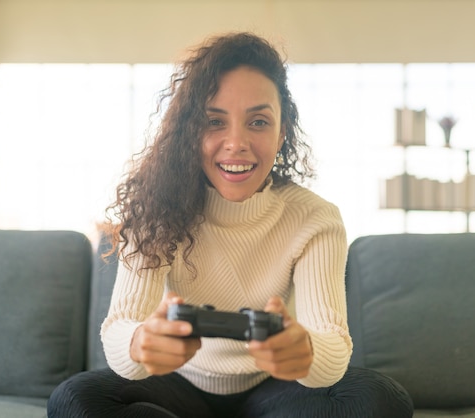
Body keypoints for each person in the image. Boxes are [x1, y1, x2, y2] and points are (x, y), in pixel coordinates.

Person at [48, 32, 413, 418]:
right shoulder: (154, 208)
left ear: (282, 131)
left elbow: (333, 346)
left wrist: (305, 352)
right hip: (178, 385)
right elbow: (120, 328)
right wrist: (141, 343)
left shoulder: (314, 217)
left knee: (380, 399)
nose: (236, 142)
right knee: (74, 400)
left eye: (258, 121)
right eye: (214, 122)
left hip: (273, 389)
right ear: (190, 132)